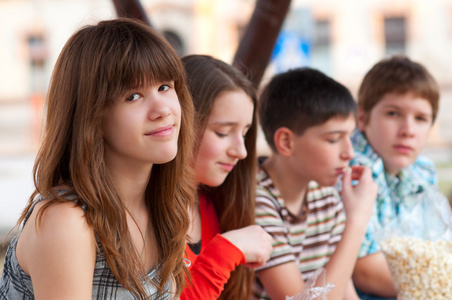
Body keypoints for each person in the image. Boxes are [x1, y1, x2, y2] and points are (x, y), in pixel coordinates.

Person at [0, 18, 196, 299]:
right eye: (134, 96)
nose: (162, 109)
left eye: (165, 87)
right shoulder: (67, 222)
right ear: (91, 117)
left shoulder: (166, 204)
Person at [254, 67, 378, 300]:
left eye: (349, 137)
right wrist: (357, 220)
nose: (349, 152)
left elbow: (342, 288)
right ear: (286, 142)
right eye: (333, 139)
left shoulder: (325, 196)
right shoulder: (257, 201)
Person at [180, 55, 273, 300]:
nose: (241, 151)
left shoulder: (213, 207)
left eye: (244, 133)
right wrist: (226, 251)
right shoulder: (140, 215)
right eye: (222, 133)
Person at [350, 55, 440, 300]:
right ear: (362, 118)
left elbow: (435, 246)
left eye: (421, 119)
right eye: (393, 113)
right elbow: (364, 271)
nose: (408, 130)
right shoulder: (353, 169)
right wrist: (440, 288)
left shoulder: (422, 170)